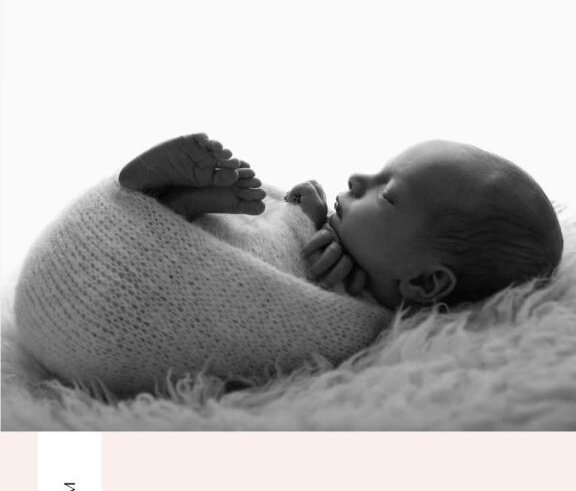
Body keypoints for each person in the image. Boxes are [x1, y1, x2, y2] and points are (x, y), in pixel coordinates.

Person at [120, 134, 564, 310]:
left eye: (387, 195)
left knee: (224, 261)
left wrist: (304, 245)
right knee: (253, 222)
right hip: (150, 258)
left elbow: (278, 309)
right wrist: (300, 218)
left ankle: (171, 207)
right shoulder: (349, 250)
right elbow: (273, 243)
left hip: (161, 291)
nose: (357, 179)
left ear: (426, 284)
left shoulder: (367, 324)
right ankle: (176, 207)